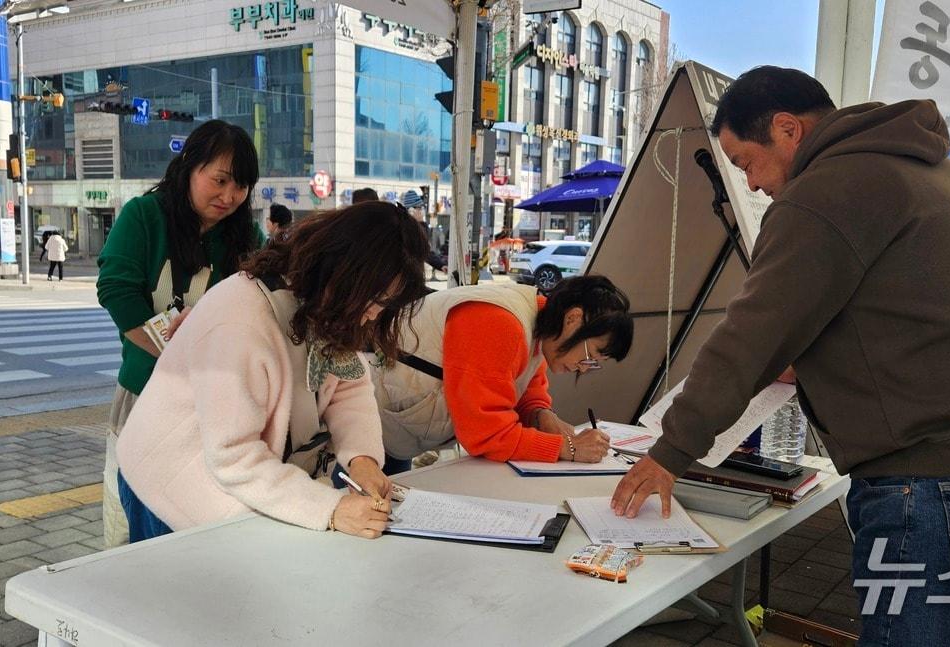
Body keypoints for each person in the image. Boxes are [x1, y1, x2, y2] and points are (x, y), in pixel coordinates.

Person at [610, 66, 950, 647]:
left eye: (746, 163)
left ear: (788, 129)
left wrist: (670, 452)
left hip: (936, 485)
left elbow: (748, 339)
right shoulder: (938, 171)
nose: (749, 185)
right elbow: (935, 315)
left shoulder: (825, 191)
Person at [114, 200, 432, 542]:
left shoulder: (327, 305)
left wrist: (362, 459)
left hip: (237, 477)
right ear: (345, 275)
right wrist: (330, 509)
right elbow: (234, 456)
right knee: (178, 592)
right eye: (375, 302)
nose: (372, 317)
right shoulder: (241, 322)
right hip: (174, 477)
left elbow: (348, 386)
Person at [96, 119, 267, 548]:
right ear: (190, 165)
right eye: (220, 180)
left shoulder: (246, 235)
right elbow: (117, 291)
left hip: (216, 402)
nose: (230, 197)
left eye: (241, 186)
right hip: (145, 392)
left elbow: (268, 297)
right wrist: (176, 353)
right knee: (132, 515)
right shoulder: (144, 216)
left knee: (199, 520)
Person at [372, 275, 633, 472]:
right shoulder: (499, 323)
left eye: (596, 362)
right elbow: (487, 435)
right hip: (372, 426)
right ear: (573, 319)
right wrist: (569, 448)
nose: (583, 367)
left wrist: (541, 415)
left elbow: (526, 388)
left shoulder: (539, 326)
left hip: (402, 431)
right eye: (590, 354)